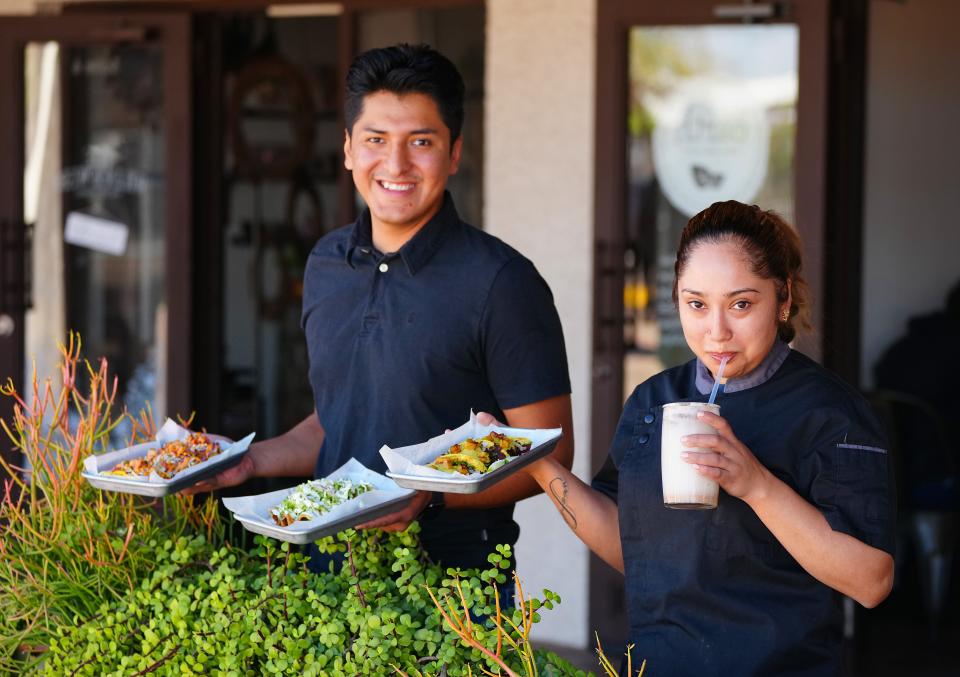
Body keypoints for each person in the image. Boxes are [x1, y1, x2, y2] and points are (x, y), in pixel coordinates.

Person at [190, 44, 573, 576]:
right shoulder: (327, 263)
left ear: (454, 152)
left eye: (421, 141)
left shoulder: (502, 282)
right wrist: (249, 461)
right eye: (375, 140)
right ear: (347, 148)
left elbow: (549, 460)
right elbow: (340, 420)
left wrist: (428, 499)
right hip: (327, 579)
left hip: (457, 593)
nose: (395, 165)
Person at [503, 201, 894, 675]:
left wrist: (756, 484)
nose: (717, 332)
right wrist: (536, 462)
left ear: (784, 298)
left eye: (741, 304)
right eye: (697, 304)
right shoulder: (653, 401)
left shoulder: (830, 412)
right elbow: (632, 546)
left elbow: (871, 582)